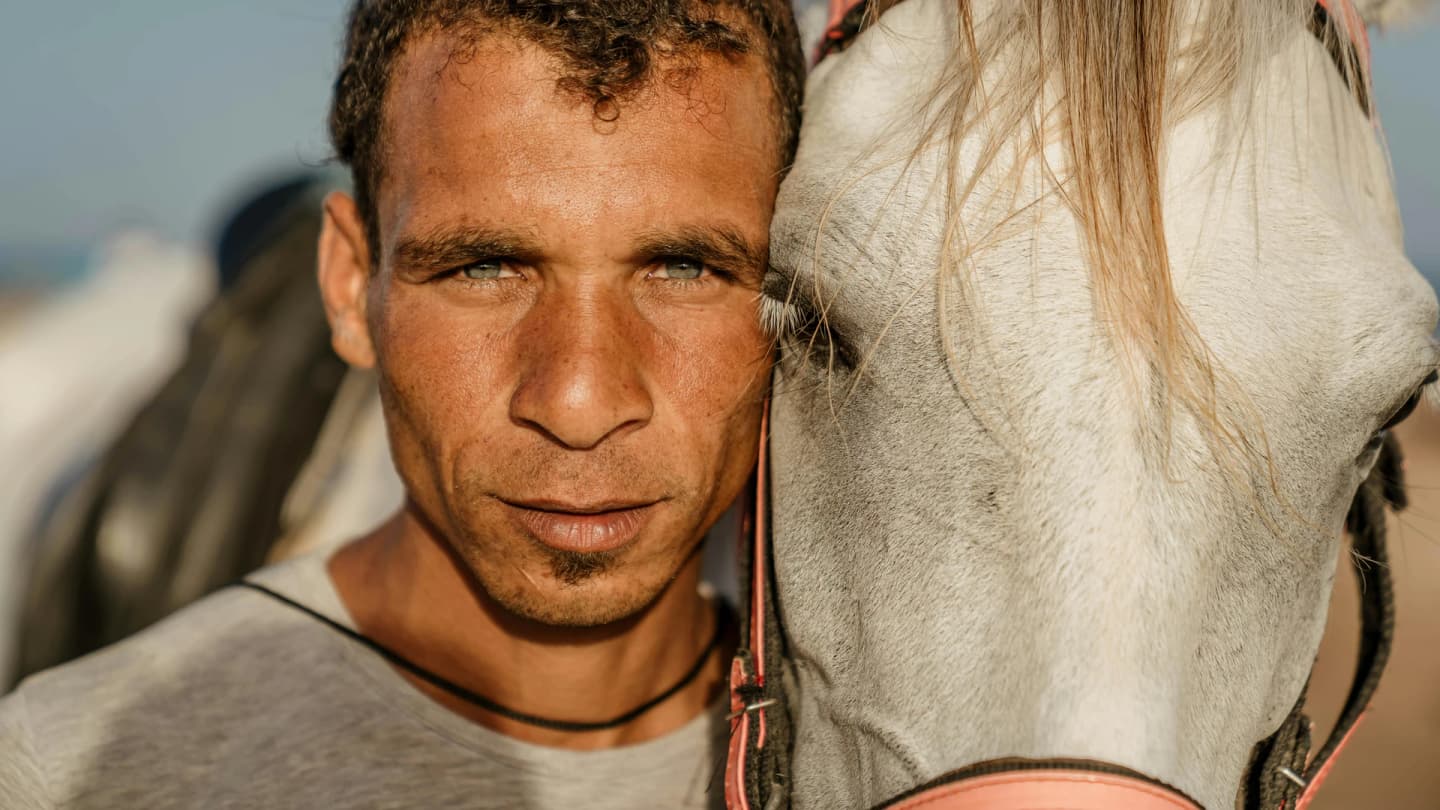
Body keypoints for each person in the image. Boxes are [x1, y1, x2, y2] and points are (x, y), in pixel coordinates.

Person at [0, 1, 804, 807]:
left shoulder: (890, 770)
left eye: (685, 267)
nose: (580, 402)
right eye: (483, 267)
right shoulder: (65, 774)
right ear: (350, 287)